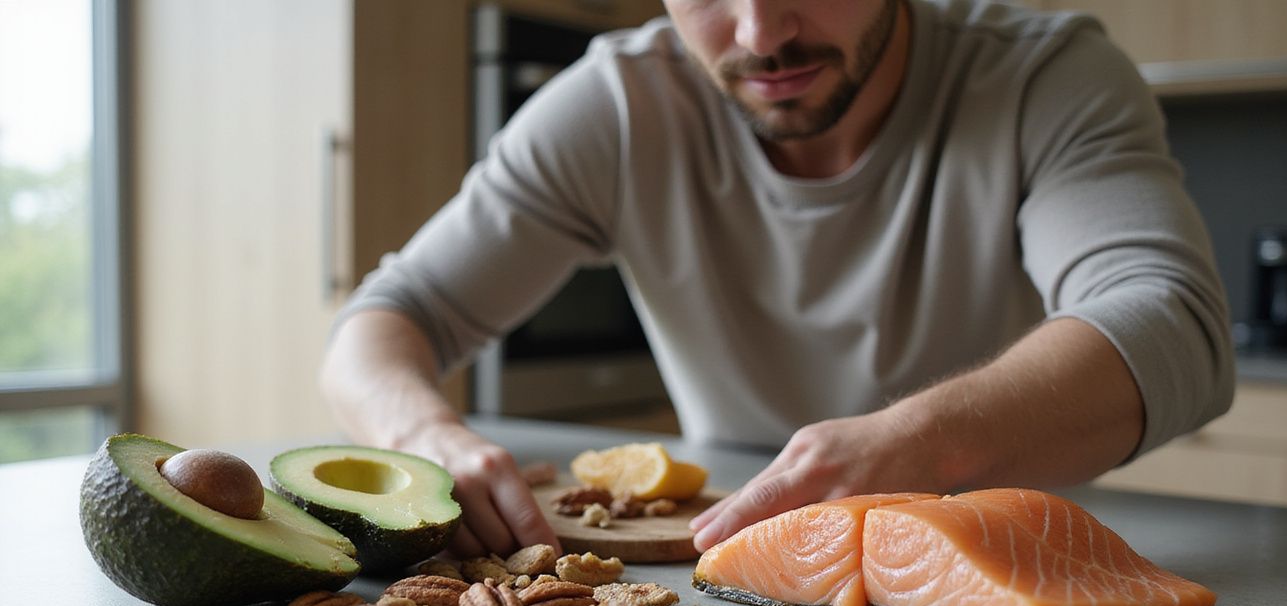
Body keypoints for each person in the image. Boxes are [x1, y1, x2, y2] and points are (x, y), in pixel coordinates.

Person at [320, 0, 1234, 558]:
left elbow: (1173, 322)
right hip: (728, 577)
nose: (761, 33)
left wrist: (922, 443)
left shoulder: (1047, 78)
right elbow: (388, 317)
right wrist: (422, 433)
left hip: (1006, 567)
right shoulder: (620, 104)